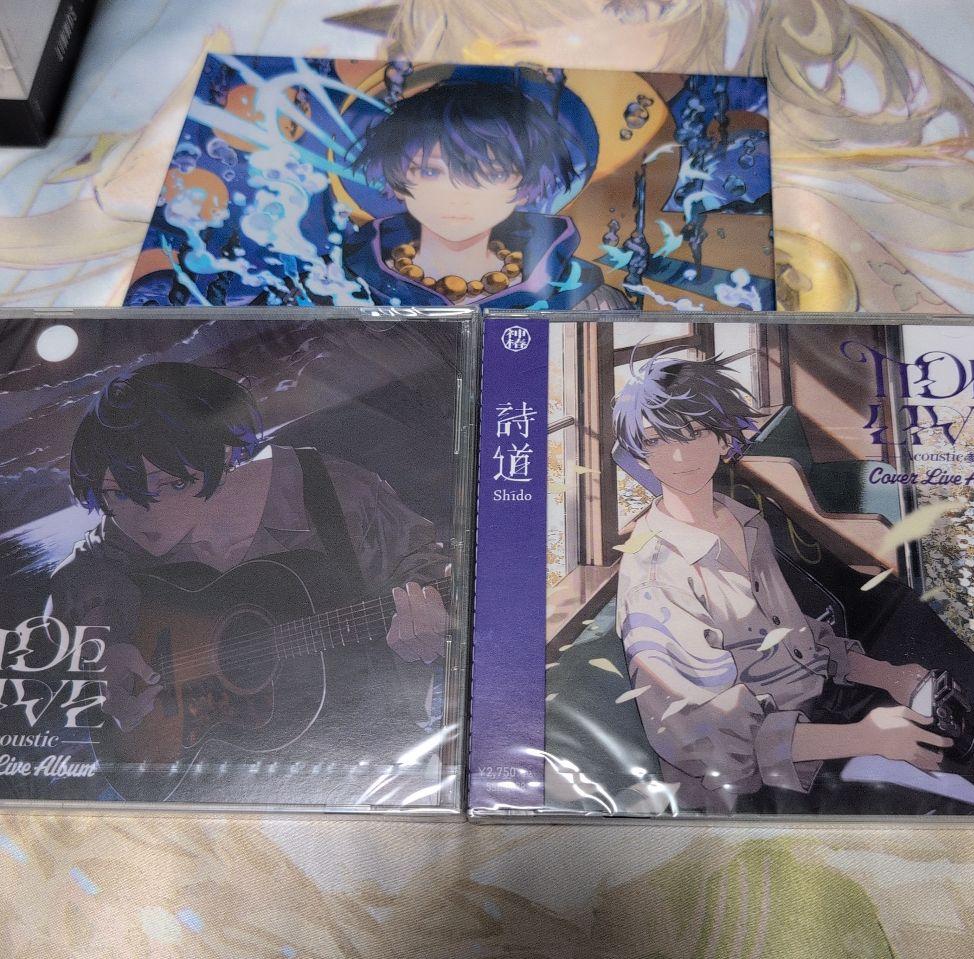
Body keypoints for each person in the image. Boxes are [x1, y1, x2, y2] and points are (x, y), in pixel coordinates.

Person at [611, 350, 974, 813]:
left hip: (826, 710)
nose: (679, 455)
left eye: (695, 433)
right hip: (767, 780)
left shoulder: (745, 522)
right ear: (639, 453)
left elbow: (797, 637)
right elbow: (707, 741)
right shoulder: (655, 573)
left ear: (724, 438)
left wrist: (889, 675)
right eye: (657, 440)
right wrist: (866, 738)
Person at [48, 362, 449, 738]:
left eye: (175, 484)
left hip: (353, 734)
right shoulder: (122, 533)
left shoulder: (332, 490)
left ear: (225, 455)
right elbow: (79, 578)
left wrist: (430, 626)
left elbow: (425, 566)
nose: (147, 516)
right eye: (118, 493)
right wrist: (102, 645)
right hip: (213, 752)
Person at [345, 79, 632, 310]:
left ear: (525, 186)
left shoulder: (583, 296)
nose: (458, 195)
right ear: (396, 176)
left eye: (492, 174)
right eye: (430, 172)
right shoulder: (343, 283)